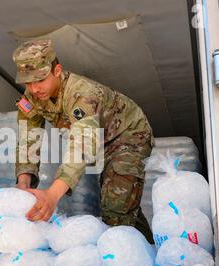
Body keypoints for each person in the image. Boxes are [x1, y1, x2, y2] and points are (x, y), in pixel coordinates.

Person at [13, 39, 155, 243]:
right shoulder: (31, 98)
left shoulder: (83, 93)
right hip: (101, 143)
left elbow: (81, 145)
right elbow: (28, 137)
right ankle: (149, 251)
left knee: (115, 207)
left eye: (40, 79)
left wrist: (52, 195)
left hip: (128, 134)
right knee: (123, 203)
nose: (34, 89)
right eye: (28, 82)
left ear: (57, 70)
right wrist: (23, 182)